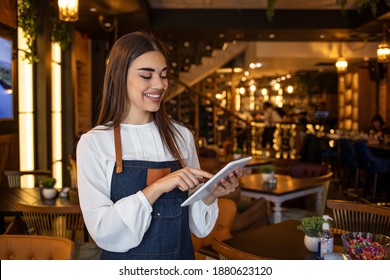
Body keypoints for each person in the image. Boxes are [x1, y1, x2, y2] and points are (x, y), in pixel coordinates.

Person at [76, 31, 242, 260]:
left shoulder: (181, 136)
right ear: (118, 76)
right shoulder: (94, 143)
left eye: (163, 75)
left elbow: (197, 226)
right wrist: (157, 188)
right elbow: (102, 230)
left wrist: (210, 195)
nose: (159, 84)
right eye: (146, 75)